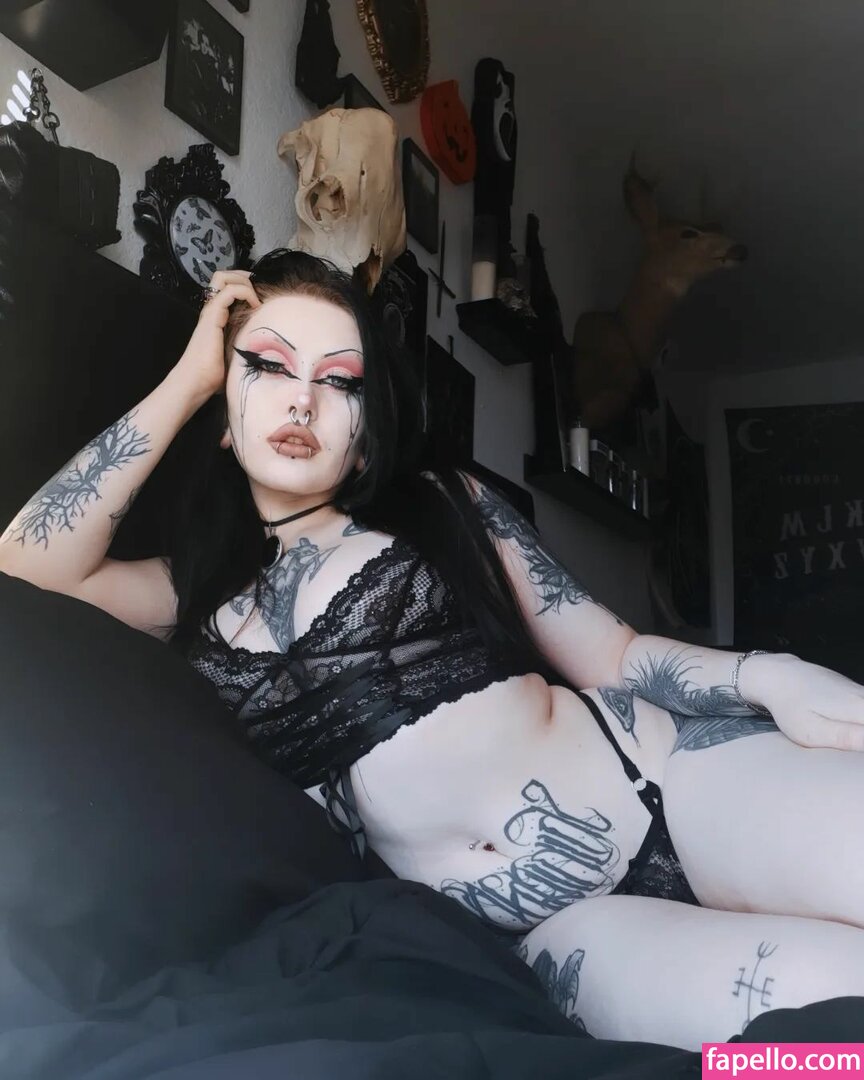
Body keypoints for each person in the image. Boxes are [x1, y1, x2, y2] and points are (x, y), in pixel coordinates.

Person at [3, 249, 864, 1051]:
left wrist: (769, 677)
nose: (301, 402)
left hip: (668, 777)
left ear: (366, 430)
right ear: (225, 409)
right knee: (817, 1051)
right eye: (267, 366)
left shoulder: (441, 504)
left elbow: (614, 652)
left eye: (338, 380)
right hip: (559, 937)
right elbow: (22, 573)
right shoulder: (187, 595)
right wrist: (192, 379)